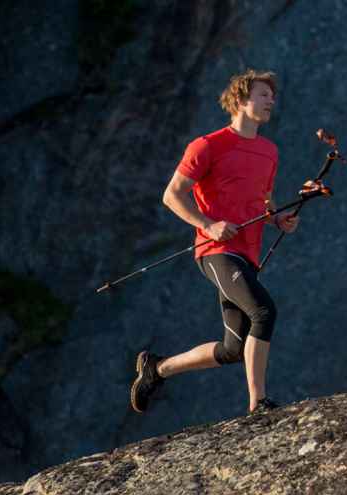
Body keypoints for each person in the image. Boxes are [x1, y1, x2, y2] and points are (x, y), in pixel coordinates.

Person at [130, 69, 323, 415]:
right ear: (241, 99)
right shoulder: (207, 145)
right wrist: (208, 224)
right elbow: (172, 196)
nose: (271, 102)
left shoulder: (269, 151)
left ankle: (157, 369)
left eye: (272, 97)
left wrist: (278, 219)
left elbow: (264, 200)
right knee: (264, 311)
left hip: (247, 253)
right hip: (216, 251)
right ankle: (258, 404)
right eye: (263, 95)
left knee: (234, 348)